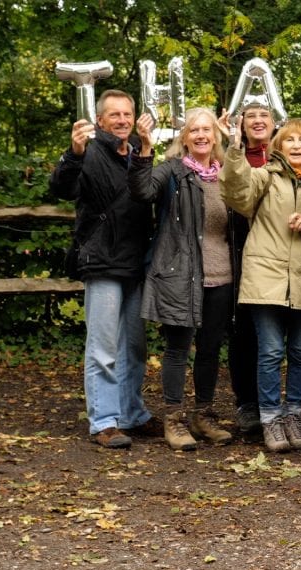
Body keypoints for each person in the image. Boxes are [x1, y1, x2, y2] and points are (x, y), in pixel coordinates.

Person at [49, 89, 159, 449]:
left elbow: (146, 195)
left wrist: (147, 149)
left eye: (127, 114)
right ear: (100, 120)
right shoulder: (90, 151)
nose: (123, 120)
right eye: (115, 115)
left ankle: (131, 414)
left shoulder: (138, 152)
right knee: (103, 347)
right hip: (102, 260)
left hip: (136, 259)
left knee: (135, 345)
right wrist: (74, 153)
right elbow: (62, 187)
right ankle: (104, 421)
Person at [220, 118, 301, 452]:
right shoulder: (265, 177)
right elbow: (235, 192)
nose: (297, 145)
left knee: (300, 352)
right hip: (265, 278)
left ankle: (294, 415)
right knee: (270, 351)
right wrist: (235, 147)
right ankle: (270, 418)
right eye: (290, 140)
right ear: (278, 146)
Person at [129, 107, 234, 450]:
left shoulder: (226, 173)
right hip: (182, 275)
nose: (202, 135)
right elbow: (142, 192)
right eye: (195, 130)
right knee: (178, 349)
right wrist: (145, 148)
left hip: (222, 275)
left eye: (207, 129)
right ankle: (174, 419)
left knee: (209, 349)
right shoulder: (173, 171)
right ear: (184, 137)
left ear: (215, 136)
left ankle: (203, 416)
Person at [223, 100, 278, 438]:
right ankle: (248, 404)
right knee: (244, 332)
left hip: (280, 253)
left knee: (279, 338)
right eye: (251, 116)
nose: (257, 121)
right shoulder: (230, 155)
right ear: (240, 124)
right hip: (242, 253)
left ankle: (277, 405)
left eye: (264, 115)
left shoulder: (287, 154)